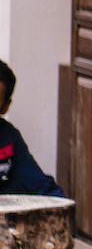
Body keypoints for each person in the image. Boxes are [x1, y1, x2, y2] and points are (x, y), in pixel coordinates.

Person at [0, 61, 63, 197]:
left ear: (5, 106)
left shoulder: (8, 138)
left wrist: (63, 209)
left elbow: (38, 184)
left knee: (17, 187)